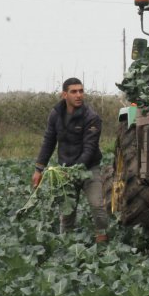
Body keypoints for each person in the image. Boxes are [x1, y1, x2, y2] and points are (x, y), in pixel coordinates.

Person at [32, 77, 108, 243]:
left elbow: (90, 149)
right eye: (74, 91)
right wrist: (39, 169)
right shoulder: (55, 114)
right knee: (67, 212)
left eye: (81, 91)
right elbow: (49, 141)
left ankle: (102, 242)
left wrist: (75, 170)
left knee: (98, 206)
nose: (79, 95)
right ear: (64, 95)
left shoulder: (92, 117)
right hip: (65, 169)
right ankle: (67, 245)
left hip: (89, 169)